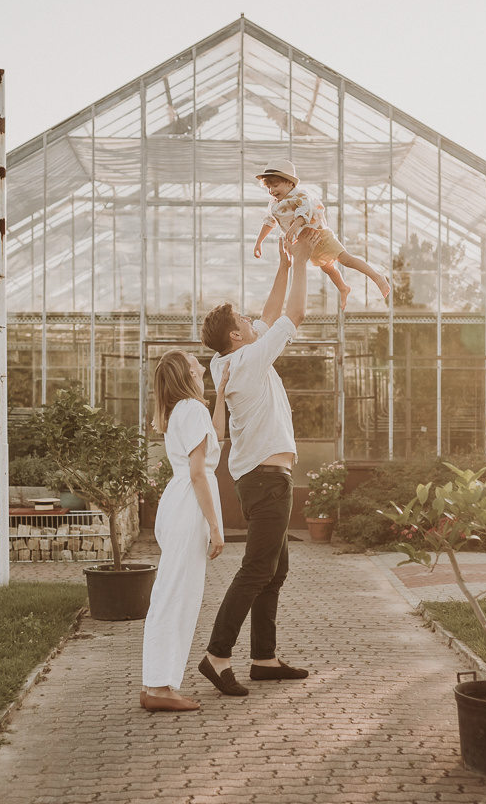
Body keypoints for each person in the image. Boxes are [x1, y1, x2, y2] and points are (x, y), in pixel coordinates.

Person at [196, 236, 313, 698]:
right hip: (267, 481)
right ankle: (216, 655)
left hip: (258, 478)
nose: (251, 320)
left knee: (274, 570)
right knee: (256, 569)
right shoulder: (246, 360)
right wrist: (303, 262)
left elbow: (267, 316)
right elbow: (293, 316)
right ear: (235, 336)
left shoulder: (227, 360)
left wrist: (283, 267)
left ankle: (264, 658)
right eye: (243, 320)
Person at [140, 351, 229, 712]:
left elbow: (216, 439)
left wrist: (220, 394)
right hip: (189, 506)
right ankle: (159, 688)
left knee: (172, 595)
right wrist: (215, 526)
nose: (203, 368)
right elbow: (198, 473)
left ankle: (156, 684)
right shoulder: (190, 410)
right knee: (176, 598)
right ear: (187, 373)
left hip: (178, 503)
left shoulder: (185, 410)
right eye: (197, 365)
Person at [253, 158, 390, 309]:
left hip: (319, 236)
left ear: (290, 183)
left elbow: (304, 211)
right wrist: (259, 242)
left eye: (275, 185)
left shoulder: (300, 195)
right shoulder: (274, 203)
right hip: (307, 243)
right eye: (269, 187)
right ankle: (343, 287)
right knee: (328, 268)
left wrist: (294, 226)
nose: (272, 191)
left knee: (345, 259)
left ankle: (377, 277)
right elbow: (269, 221)